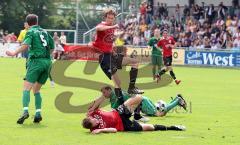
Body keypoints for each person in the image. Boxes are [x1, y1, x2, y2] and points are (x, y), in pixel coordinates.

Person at [6, 14, 54, 124]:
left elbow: (25, 45)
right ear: (36, 22)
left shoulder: (31, 32)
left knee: (26, 89)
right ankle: (38, 114)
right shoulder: (45, 32)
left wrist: (13, 53)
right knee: (36, 90)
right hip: (47, 63)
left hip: (36, 62)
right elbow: (52, 47)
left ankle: (25, 111)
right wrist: (46, 57)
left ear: (28, 24)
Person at [91, 8, 144, 107]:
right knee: (117, 82)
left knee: (135, 62)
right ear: (105, 17)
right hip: (104, 58)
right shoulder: (103, 25)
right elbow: (98, 28)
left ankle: (131, 88)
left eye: (112, 18)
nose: (110, 20)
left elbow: (110, 41)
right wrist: (114, 26)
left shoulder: (112, 28)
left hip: (111, 55)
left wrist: (114, 50)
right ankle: (120, 106)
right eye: (108, 18)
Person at [82, 94, 186, 134]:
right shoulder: (95, 129)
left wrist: (101, 96)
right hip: (123, 125)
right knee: (150, 127)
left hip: (119, 113)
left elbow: (99, 100)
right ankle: (175, 127)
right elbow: (114, 130)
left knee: (139, 97)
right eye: (95, 122)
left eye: (94, 119)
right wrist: (101, 130)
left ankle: (137, 114)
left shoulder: (93, 114)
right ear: (92, 126)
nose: (96, 120)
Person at [88, 86, 187, 118]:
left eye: (104, 92)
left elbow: (115, 111)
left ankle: (177, 100)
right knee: (161, 112)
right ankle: (176, 99)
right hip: (142, 100)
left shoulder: (114, 96)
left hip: (142, 103)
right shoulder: (114, 93)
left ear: (109, 90)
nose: (104, 95)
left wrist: (97, 111)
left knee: (160, 114)